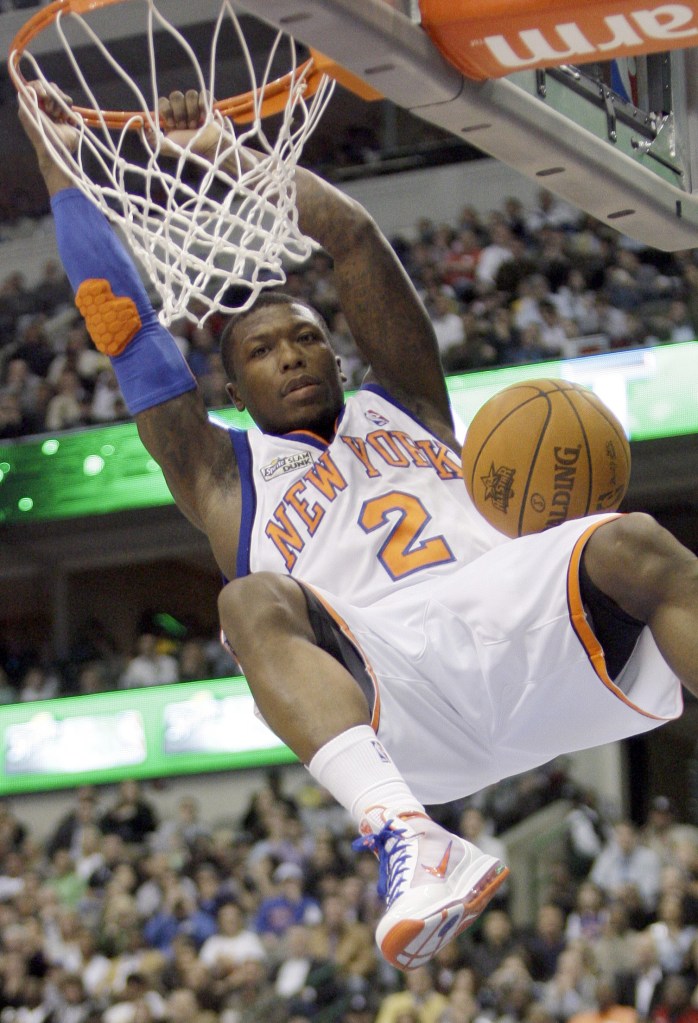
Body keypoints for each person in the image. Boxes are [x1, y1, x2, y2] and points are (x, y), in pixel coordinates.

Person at [18, 83, 698, 974]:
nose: (291, 354)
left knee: (636, 542)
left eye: (303, 338)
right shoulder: (224, 475)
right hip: (397, 693)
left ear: (333, 352)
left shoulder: (407, 402)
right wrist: (59, 160)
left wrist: (234, 157)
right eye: (261, 351)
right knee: (251, 599)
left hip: (518, 625)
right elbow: (121, 323)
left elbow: (353, 241)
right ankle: (412, 844)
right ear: (233, 390)